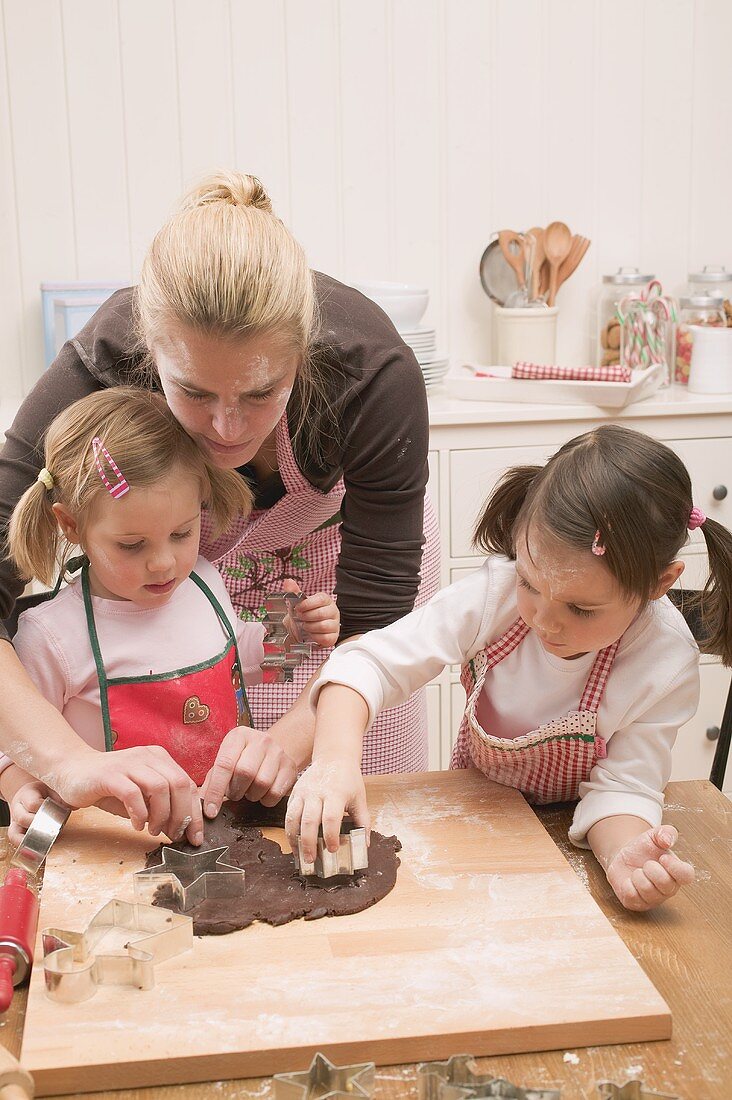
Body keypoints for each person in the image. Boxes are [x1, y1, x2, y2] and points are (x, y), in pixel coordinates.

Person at [0, 170, 439, 844]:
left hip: (341, 593)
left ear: (303, 358)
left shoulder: (372, 375)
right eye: (194, 393)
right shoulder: (100, 362)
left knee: (346, 801)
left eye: (262, 393)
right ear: (149, 357)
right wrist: (65, 762)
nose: (228, 428)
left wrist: (299, 739)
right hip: (187, 567)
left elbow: (376, 619)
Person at [286, 425, 732, 912]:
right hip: (473, 825)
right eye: (530, 582)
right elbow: (368, 663)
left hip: (566, 856)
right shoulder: (493, 599)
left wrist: (625, 856)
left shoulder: (663, 663)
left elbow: (624, 789)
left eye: (581, 609)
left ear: (659, 583)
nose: (543, 619)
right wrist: (334, 759)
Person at [2, 388, 338, 847]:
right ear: (71, 525)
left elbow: (243, 664)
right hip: (119, 844)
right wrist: (20, 787)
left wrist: (293, 633)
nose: (163, 563)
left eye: (181, 533)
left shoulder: (203, 580)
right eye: (132, 545)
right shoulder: (52, 635)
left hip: (227, 828)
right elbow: (12, 740)